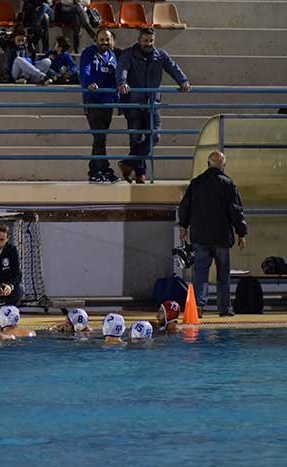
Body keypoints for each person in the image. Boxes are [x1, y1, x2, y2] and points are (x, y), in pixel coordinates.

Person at [116, 27, 191, 183]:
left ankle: (128, 163)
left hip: (152, 103)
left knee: (155, 136)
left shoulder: (160, 55)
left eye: (151, 41)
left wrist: (183, 80)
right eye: (145, 41)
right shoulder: (128, 54)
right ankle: (140, 174)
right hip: (133, 102)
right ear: (139, 40)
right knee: (135, 138)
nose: (148, 44)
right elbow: (122, 69)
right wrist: (122, 82)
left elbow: (173, 67)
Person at [178, 151, 248, 317]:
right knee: (223, 274)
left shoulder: (196, 183)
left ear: (208, 164)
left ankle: (199, 306)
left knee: (201, 273)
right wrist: (241, 233)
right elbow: (236, 211)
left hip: (200, 236)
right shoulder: (228, 184)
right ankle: (224, 308)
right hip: (222, 237)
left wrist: (183, 227)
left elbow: (185, 206)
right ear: (223, 166)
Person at [80, 28, 120, 183]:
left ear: (112, 40)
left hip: (107, 102)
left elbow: (115, 78)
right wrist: (89, 83)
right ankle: (104, 169)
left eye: (107, 39)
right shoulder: (89, 53)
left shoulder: (112, 56)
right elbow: (84, 70)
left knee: (100, 138)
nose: (104, 42)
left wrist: (117, 98)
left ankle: (94, 170)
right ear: (96, 40)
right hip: (94, 101)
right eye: (102, 39)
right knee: (99, 137)